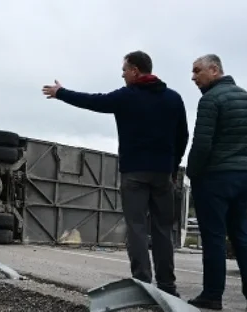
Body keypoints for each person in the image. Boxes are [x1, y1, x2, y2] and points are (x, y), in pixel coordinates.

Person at [42, 50, 188, 296]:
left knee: (136, 228)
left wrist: (61, 93)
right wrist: (173, 167)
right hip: (163, 173)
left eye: (124, 70)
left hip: (134, 173)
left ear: (135, 71)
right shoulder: (173, 98)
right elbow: (182, 135)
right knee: (163, 230)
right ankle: (167, 286)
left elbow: (93, 101)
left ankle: (142, 283)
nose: (122, 75)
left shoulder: (126, 96)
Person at [186, 54, 247, 312]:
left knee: (214, 238)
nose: (193, 77)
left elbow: (202, 144)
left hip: (215, 179)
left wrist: (192, 173)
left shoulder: (210, 100)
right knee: (242, 236)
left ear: (214, 69)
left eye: (197, 71)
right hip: (242, 177)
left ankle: (212, 295)